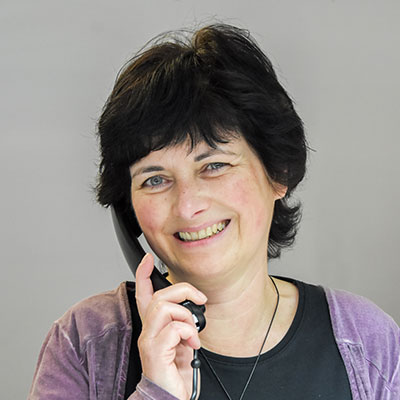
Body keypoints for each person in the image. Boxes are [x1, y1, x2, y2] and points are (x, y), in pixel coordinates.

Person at [28, 24, 399, 400]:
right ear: (128, 210)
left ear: (278, 173)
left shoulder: (370, 345)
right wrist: (156, 392)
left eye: (215, 166)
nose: (188, 206)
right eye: (155, 180)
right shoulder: (86, 343)